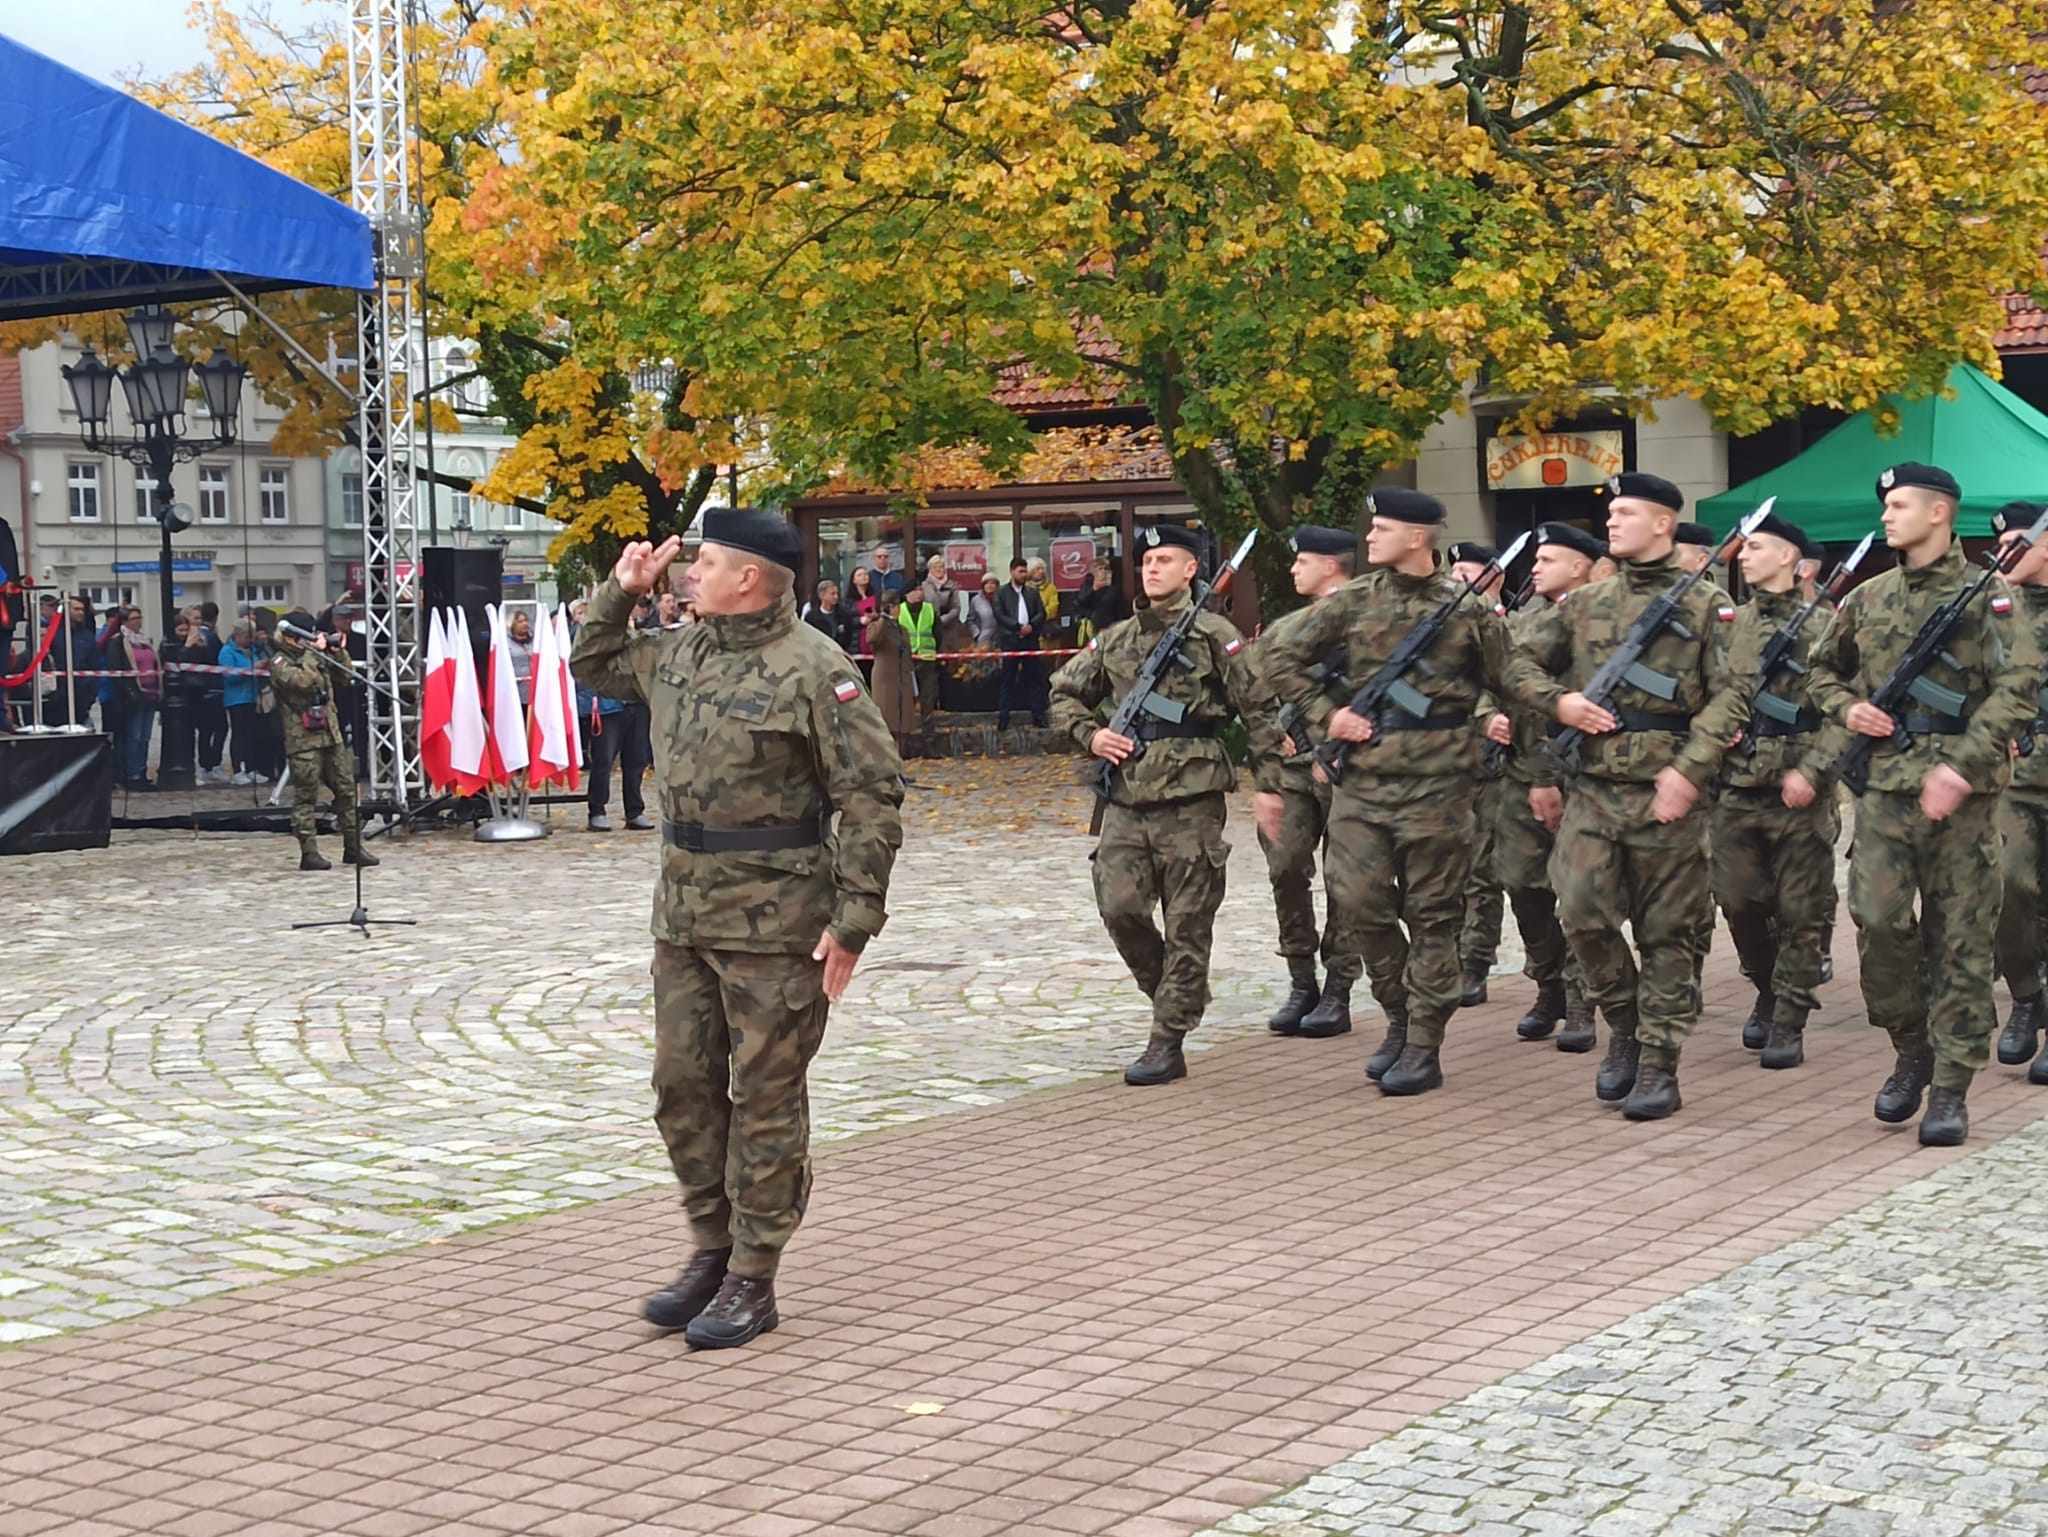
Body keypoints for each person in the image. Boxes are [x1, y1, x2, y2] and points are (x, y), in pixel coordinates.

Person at [568, 509, 904, 1350]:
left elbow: (871, 795)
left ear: (749, 576)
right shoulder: (680, 652)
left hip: (778, 922)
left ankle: (755, 1271)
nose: (690, 574)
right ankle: (711, 1246)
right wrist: (621, 590)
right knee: (680, 1086)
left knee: (764, 1098)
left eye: (705, 562)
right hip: (684, 914)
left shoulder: (814, 668)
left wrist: (855, 918)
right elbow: (595, 664)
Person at [1267, 491, 1557, 1096]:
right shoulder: (1353, 600)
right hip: (1364, 785)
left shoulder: (1468, 611)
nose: (1369, 538)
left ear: (1419, 537)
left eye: (1382, 527)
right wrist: (1328, 715)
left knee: (1432, 918)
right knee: (1360, 904)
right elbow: (1279, 655)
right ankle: (1398, 1011)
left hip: (1441, 787)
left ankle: (1423, 1041)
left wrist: (1560, 708)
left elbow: (1513, 676)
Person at [1511, 472, 1757, 1119]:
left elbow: (1733, 696)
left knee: (1668, 932)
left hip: (1668, 790)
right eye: (1610, 512)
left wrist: (1690, 770)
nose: (1612, 521)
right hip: (1593, 789)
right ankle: (1623, 1020)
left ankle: (1658, 1062)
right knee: (1582, 912)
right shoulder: (1584, 605)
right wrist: (1559, 700)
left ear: (1663, 525)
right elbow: (1515, 664)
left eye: (1625, 512)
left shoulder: (1708, 607)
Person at [1807, 464, 2039, 1146]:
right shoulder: (1868, 597)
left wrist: (1962, 766)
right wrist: (1849, 708)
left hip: (1963, 799)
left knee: (1962, 940)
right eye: (1886, 503)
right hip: (1882, 791)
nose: (1887, 514)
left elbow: (2017, 685)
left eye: (1900, 504)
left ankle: (1950, 1089)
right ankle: (1912, 1044)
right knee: (1877, 922)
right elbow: (1823, 669)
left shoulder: (1989, 596)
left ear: (1940, 513)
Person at [1050, 524, 1284, 1086]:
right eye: (1147, 560)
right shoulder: (1116, 638)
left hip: (1191, 796)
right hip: (1127, 795)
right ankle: (1176, 994)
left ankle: (1167, 1037)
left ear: (1191, 570)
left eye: (1165, 559)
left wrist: (1271, 785)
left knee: (1187, 924)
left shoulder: (1213, 634)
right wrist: (1092, 736)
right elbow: (1062, 693)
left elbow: (1259, 709)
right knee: (1120, 908)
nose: (1152, 568)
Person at [1715, 511, 1842, 1070]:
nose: (1744, 555)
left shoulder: (1827, 625)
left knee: (1800, 910)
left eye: (1757, 547)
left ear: (1789, 557)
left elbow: (1847, 711)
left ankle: (1790, 1015)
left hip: (1799, 788)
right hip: (1738, 784)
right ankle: (1766, 985)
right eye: (1744, 547)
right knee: (1738, 902)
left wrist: (1813, 771)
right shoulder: (1727, 624)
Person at [1486, 523, 1602, 1049]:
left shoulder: (1602, 618)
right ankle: (1549, 982)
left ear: (1580, 566)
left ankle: (1582, 1001)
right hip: (1520, 770)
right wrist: (1486, 715)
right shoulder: (1523, 621)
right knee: (1520, 884)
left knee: (1578, 892)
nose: (1535, 567)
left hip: (1581, 775)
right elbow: (1486, 679)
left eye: (1549, 559)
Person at [1258, 526, 1364, 1038]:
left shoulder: (1365, 622)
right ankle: (1302, 980)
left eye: (1303, 561)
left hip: (1348, 767)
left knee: (1345, 880)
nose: (1293, 569)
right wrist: (1266, 767)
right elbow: (1263, 694)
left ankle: (1339, 987)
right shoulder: (1294, 626)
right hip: (1294, 767)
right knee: (1286, 867)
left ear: (1331, 565)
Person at [1990, 501, 2048, 1089]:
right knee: (2009, 889)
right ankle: (2027, 996)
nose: (2005, 553)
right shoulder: (1992, 612)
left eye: (2018, 543)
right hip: (2015, 775)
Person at [268, 609, 377, 871]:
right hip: (303, 739)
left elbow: (345, 676)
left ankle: (353, 847)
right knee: (306, 795)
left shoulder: (313, 656)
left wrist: (336, 651)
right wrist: (313, 653)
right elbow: (304, 683)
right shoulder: (280, 662)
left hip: (331, 733)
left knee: (347, 791)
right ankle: (309, 853)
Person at [1447, 540, 1506, 1007]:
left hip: (1496, 764)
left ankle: (1475, 962)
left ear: (1494, 578)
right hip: (1449, 763)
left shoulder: (1509, 626)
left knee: (1484, 871)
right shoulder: (1444, 631)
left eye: (1469, 574)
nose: (1460, 582)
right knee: (1450, 867)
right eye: (1455, 575)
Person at [104, 608, 162, 787]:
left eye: (140, 617)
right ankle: (132, 774)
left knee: (145, 737)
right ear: (125, 621)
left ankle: (141, 771)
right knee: (134, 736)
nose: (138, 621)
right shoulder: (118, 642)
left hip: (151, 693)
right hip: (133, 696)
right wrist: (129, 692)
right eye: (134, 618)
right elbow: (116, 669)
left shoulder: (145, 641)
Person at [994, 557, 1048, 729]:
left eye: (1025, 571)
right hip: (1011, 641)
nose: (1024, 575)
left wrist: (1031, 626)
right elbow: (1000, 615)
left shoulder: (1032, 593)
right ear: (1012, 572)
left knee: (1034, 678)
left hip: (1030, 641)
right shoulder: (1002, 593)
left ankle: (1038, 715)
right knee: (1007, 679)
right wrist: (1017, 627)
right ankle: (1004, 717)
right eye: (1020, 571)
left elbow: (1041, 612)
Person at [867, 590, 917, 746]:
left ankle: (901, 750)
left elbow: (907, 654)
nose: (898, 609)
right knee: (887, 716)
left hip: (903, 676)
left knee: (904, 719)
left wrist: (913, 681)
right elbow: (873, 639)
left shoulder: (902, 629)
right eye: (894, 606)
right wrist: (883, 617)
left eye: (897, 606)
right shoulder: (876, 626)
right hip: (886, 678)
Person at [219, 619, 265, 783]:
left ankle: (252, 768)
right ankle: (237, 770)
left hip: (251, 697)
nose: (250, 640)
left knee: (251, 734)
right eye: (247, 637)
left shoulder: (252, 651)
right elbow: (229, 676)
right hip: (236, 698)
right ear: (238, 636)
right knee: (239, 734)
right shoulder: (227, 652)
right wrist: (251, 670)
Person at [898, 581, 942, 724]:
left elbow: (938, 633)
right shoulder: (900, 610)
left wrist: (937, 652)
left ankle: (927, 727)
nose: (919, 593)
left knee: (928, 694)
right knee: (907, 694)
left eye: (920, 590)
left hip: (927, 658)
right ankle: (908, 725)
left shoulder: (930, 609)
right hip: (906, 659)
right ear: (906, 594)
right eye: (915, 590)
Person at [802, 580, 852, 651]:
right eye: (832, 594)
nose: (836, 597)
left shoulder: (844, 615)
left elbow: (848, 636)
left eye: (837, 593)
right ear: (822, 595)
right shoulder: (811, 617)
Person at [507, 608, 537, 705]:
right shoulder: (506, 643)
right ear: (512, 624)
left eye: (525, 620)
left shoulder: (535, 641)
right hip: (516, 691)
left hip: (535, 689)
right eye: (520, 621)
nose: (524, 623)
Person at [967, 574, 1002, 647]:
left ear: (997, 585)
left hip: (1001, 639)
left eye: (992, 583)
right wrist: (976, 634)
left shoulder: (1002, 598)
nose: (989, 586)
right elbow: (970, 620)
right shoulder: (976, 600)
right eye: (987, 583)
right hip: (983, 640)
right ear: (983, 585)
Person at [921, 554, 958, 621]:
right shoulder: (924, 586)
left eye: (941, 567)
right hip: (927, 623)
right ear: (930, 569)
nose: (938, 569)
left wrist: (943, 619)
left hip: (946, 624)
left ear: (944, 569)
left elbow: (956, 608)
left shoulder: (952, 585)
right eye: (934, 567)